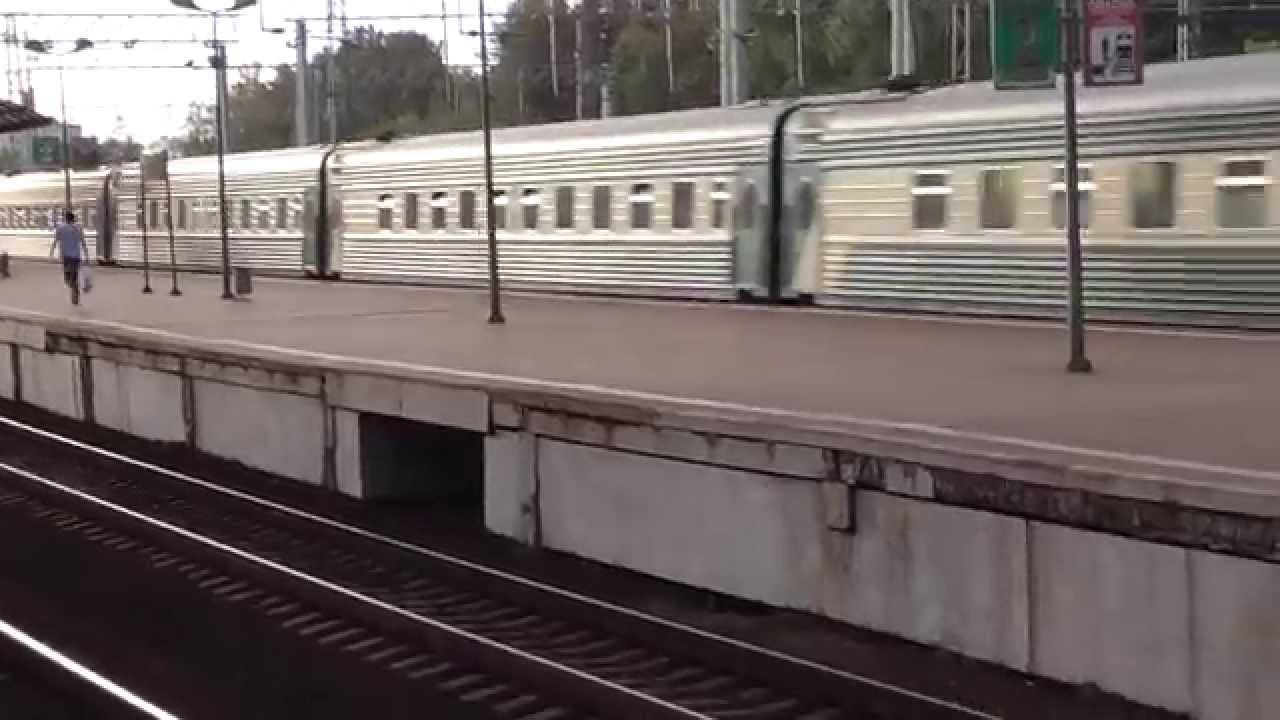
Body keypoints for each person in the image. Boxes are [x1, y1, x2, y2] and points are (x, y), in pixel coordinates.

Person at [49, 211, 90, 305]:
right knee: (73, 276)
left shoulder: (60, 228)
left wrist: (51, 253)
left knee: (67, 279)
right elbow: (83, 242)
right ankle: (75, 290)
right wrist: (87, 255)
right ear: (73, 218)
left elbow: (55, 241)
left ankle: (74, 294)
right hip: (76, 257)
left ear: (66, 218)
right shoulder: (78, 228)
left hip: (66, 257)